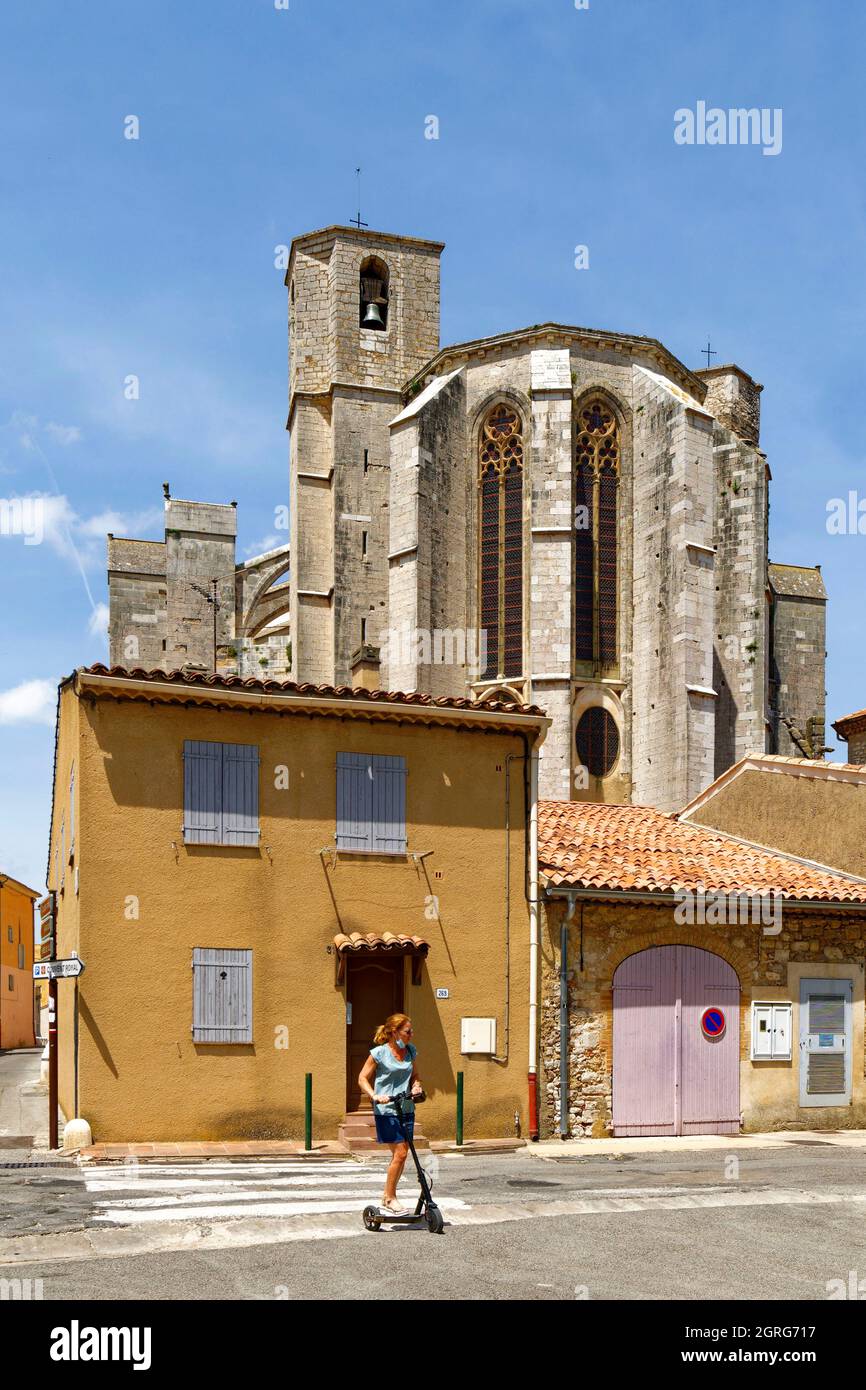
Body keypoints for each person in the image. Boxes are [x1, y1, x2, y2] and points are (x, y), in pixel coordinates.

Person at [357, 1013, 424, 1214]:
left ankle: (388, 1195)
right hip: (386, 1110)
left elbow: (416, 1076)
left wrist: (417, 1086)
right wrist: (375, 1095)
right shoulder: (379, 1053)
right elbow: (362, 1078)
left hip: (406, 1107)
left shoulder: (411, 1051)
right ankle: (390, 1197)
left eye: (411, 1031)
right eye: (407, 1031)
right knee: (401, 1152)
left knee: (401, 1156)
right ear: (395, 1032)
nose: (411, 1034)